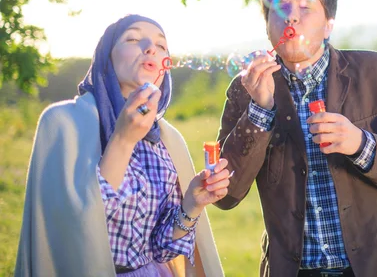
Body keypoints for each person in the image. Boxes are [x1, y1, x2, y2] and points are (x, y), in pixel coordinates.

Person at [214, 0, 377, 277]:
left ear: (328, 25)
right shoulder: (245, 90)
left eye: (305, 7)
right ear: (268, 27)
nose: (291, 17)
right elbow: (226, 196)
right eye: (280, 9)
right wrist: (260, 110)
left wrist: (362, 145)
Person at [15, 14, 230, 277]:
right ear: (107, 57)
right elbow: (75, 233)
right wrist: (123, 140)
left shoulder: (166, 140)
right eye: (133, 38)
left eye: (161, 45)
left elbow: (161, 250)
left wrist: (191, 206)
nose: (151, 48)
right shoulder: (63, 123)